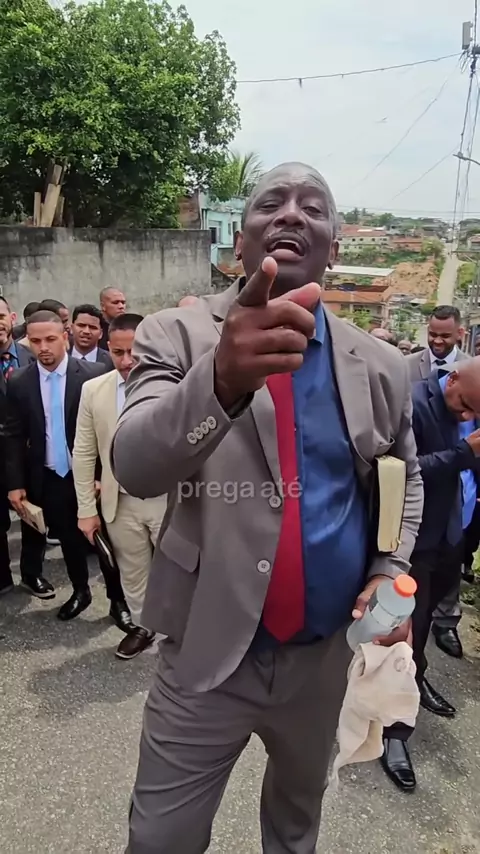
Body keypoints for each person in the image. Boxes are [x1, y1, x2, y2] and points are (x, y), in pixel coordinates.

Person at [112, 161, 423, 854]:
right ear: (241, 243)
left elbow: (405, 479)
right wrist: (221, 379)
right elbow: (135, 465)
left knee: (295, 826)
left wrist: (390, 566)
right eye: (271, 203)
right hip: (205, 653)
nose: (290, 213)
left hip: (322, 658)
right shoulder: (175, 334)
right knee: (161, 838)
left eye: (313, 206)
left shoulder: (381, 364)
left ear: (334, 246)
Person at [381, 359, 480, 792]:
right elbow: (400, 470)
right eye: (464, 405)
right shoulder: (412, 402)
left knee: (420, 635)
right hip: (415, 543)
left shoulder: (471, 404)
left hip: (451, 537)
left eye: (474, 411)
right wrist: (464, 453)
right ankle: (393, 733)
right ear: (452, 377)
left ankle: (416, 682)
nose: (467, 415)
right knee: (405, 635)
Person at [73, 313, 166, 659]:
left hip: (170, 499)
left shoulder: (175, 385)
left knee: (180, 571)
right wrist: (86, 509)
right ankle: (144, 626)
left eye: (135, 352)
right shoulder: (93, 390)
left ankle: (181, 637)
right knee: (133, 572)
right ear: (107, 348)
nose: (127, 361)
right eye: (118, 352)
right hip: (119, 501)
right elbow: (84, 452)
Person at [4, 310, 107, 620]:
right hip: (51, 475)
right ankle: (81, 591)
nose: (43, 347)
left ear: (65, 337)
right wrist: (15, 483)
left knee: (105, 541)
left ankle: (118, 602)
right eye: (35, 341)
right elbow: (13, 434)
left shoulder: (93, 374)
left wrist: (101, 475)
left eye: (50, 339)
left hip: (89, 475)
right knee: (69, 539)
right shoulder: (19, 381)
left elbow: (107, 430)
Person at [406, 304, 469, 659]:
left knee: (443, 585)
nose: (437, 341)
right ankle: (412, 669)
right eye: (433, 334)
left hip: (458, 510)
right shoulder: (408, 377)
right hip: (421, 516)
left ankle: (443, 627)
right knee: (414, 609)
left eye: (445, 335)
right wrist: (461, 453)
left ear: (460, 333)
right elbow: (404, 464)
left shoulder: (473, 373)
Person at [0, 298, 50, 599]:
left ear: (11, 317)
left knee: (33, 518)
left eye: (0, 315)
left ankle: (32, 573)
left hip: (30, 455)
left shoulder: (34, 356)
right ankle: (2, 576)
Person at [71, 304, 113, 369]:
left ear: (101, 333)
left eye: (92, 327)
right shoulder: (60, 358)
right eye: (81, 325)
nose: (86, 331)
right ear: (71, 328)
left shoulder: (112, 361)